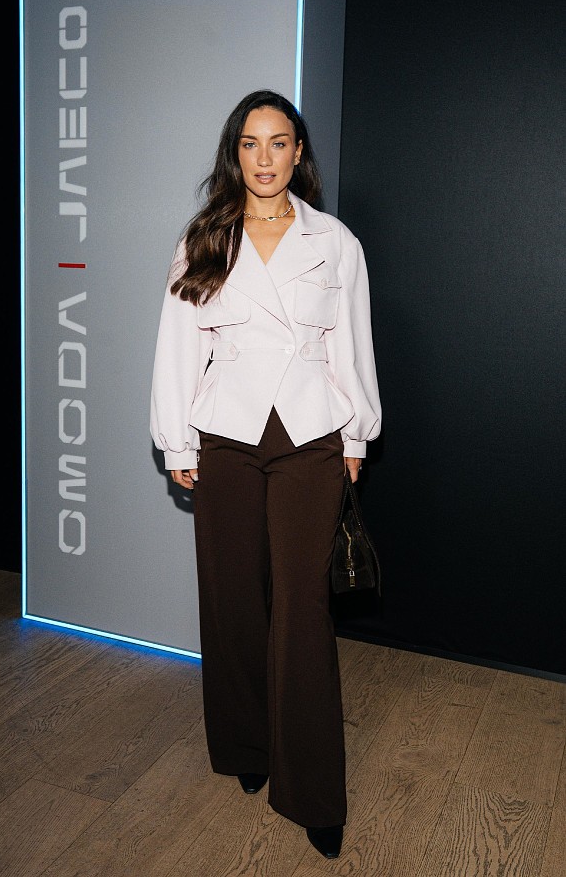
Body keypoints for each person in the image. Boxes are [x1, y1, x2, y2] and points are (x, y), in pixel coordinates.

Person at [150, 89, 381, 859]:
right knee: (231, 600)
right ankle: (246, 746)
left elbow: (351, 343)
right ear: (234, 153)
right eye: (249, 144)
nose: (263, 158)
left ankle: (313, 790)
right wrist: (177, 444)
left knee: (302, 606)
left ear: (298, 152)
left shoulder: (333, 242)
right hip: (225, 435)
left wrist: (356, 430)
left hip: (310, 434)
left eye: (278, 142)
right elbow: (178, 345)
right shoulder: (205, 237)